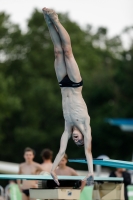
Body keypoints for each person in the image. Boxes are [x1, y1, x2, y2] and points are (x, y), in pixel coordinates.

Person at [42, 7, 94, 186]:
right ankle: (56, 19)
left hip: (63, 85)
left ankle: (48, 21)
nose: (76, 138)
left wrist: (52, 170)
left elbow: (61, 151)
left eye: (75, 140)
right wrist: (90, 173)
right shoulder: (85, 126)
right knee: (67, 51)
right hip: (74, 83)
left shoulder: (67, 127)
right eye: (78, 139)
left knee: (57, 51)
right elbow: (88, 152)